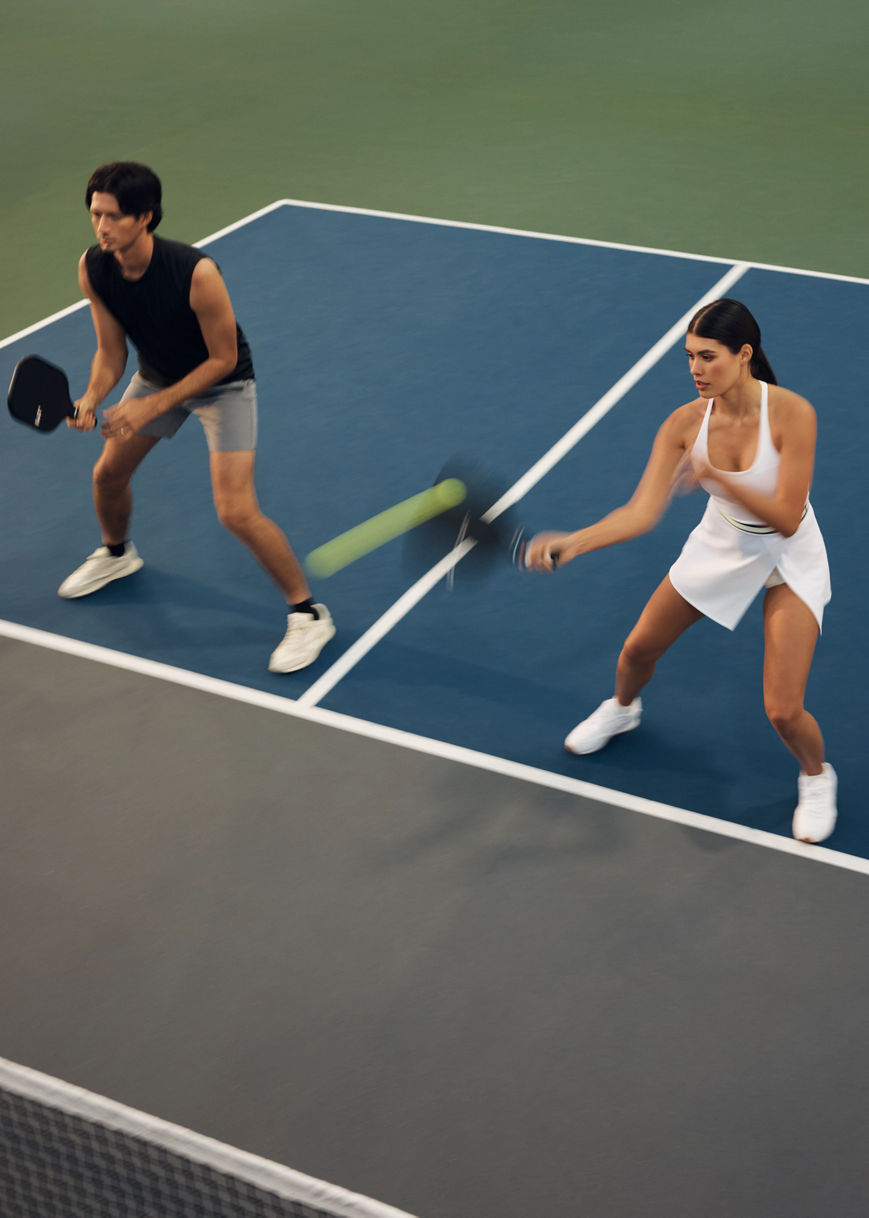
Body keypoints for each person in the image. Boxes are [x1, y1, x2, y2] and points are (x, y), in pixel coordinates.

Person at [524, 298, 836, 844]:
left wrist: (722, 478)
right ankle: (622, 709)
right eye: (689, 356)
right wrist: (577, 542)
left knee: (784, 711)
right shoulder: (684, 424)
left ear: (745, 355)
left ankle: (817, 776)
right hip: (722, 544)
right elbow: (641, 512)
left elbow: (787, 518)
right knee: (638, 649)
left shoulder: (793, 413)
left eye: (708, 357)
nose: (696, 369)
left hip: (790, 558)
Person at [61, 161, 334, 673]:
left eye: (113, 216)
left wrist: (150, 405)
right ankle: (118, 555)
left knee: (235, 511)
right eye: (95, 214)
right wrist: (94, 396)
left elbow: (223, 359)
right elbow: (110, 351)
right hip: (158, 377)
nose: (101, 226)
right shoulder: (94, 267)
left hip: (222, 385)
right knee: (107, 475)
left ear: (145, 217)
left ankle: (309, 613)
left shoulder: (196, 273)